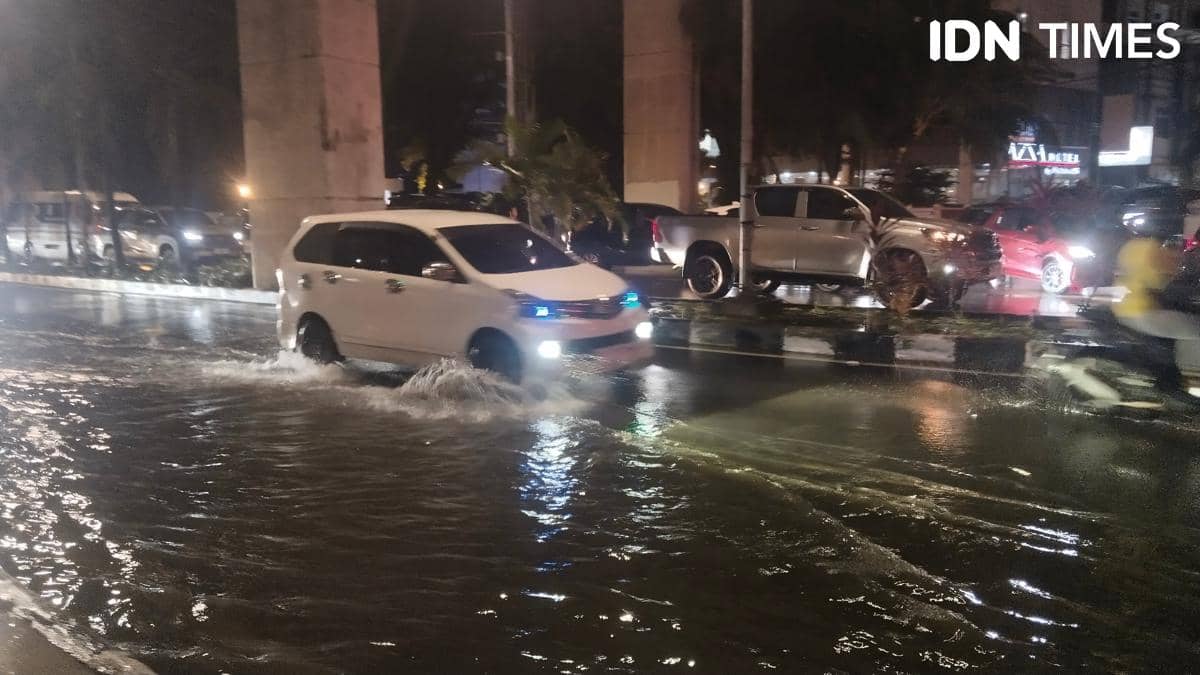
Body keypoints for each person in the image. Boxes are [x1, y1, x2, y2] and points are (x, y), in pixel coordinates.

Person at [1113, 237, 1200, 388]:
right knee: (1193, 329)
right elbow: (1158, 278)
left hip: (1132, 307)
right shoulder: (1150, 251)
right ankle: (1180, 382)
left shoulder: (1139, 245)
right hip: (1140, 311)